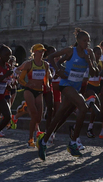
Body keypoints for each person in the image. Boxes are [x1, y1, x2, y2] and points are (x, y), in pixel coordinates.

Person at [37, 29, 99, 160]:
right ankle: (73, 142)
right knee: (82, 107)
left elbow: (94, 73)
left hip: (76, 88)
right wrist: (59, 71)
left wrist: (89, 62)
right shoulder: (70, 51)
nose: (87, 43)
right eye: (84, 41)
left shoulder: (90, 53)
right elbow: (50, 57)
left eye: (88, 41)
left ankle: (43, 141)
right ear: (78, 41)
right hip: (66, 85)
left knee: (60, 115)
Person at [15, 44, 51, 147]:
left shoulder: (45, 65)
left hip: (39, 91)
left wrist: (47, 85)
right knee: (34, 114)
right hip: (29, 91)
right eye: (40, 51)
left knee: (39, 119)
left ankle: (24, 107)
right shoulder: (29, 64)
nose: (42, 53)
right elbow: (21, 79)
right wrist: (27, 84)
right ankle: (30, 139)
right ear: (34, 52)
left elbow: (46, 78)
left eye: (43, 51)